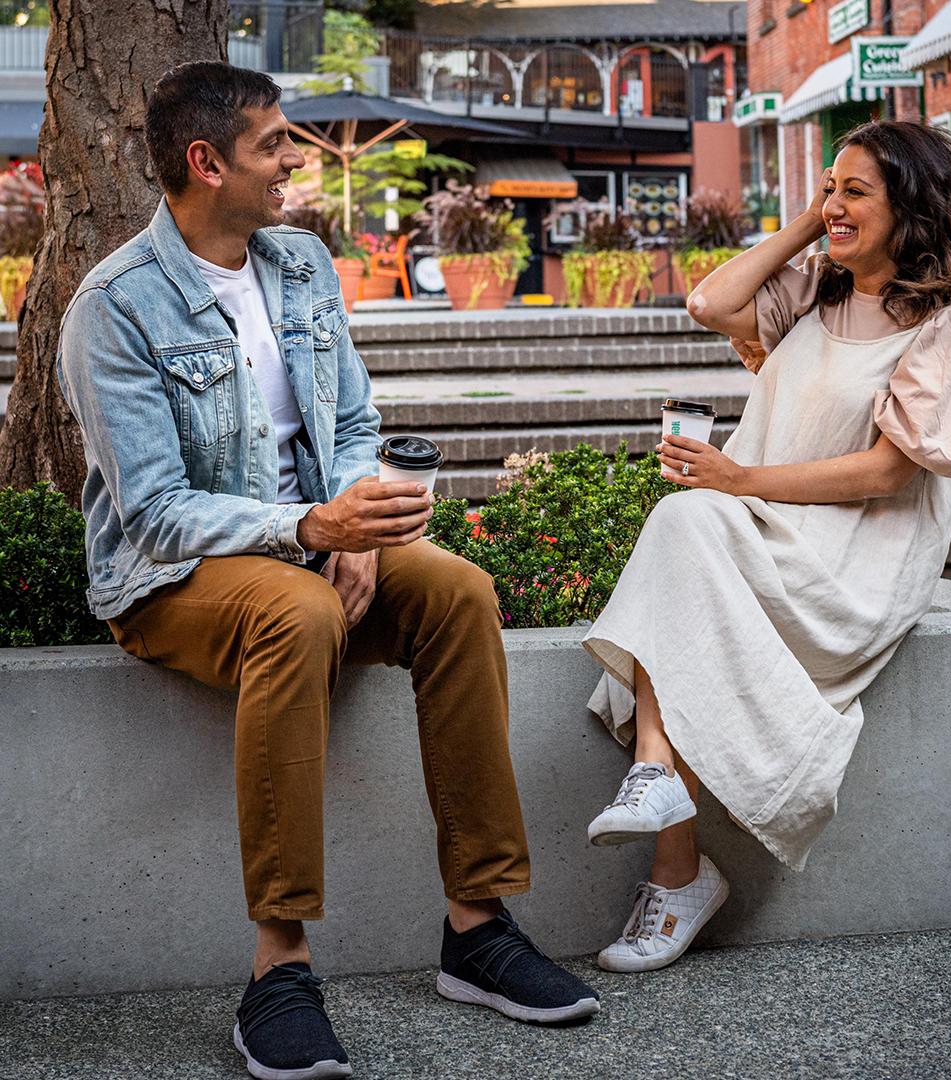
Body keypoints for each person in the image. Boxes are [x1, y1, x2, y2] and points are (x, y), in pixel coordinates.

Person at [57, 62, 598, 1080]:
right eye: (276, 143)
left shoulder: (301, 265)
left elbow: (351, 424)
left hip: (312, 545)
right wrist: (313, 533)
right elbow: (158, 513)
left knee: (458, 592)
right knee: (299, 614)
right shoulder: (116, 306)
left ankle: (476, 928)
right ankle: (279, 969)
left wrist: (361, 516)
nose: (296, 160)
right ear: (205, 163)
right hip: (167, 580)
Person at [581, 121, 951, 973]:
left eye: (856, 192)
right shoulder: (813, 295)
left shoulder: (948, 335)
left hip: (851, 566)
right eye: (829, 187)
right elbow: (709, 304)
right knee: (686, 526)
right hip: (759, 533)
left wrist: (738, 482)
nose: (835, 204)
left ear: (910, 207)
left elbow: (888, 474)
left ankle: (670, 837)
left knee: (690, 521)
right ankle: (669, 836)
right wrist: (816, 225)